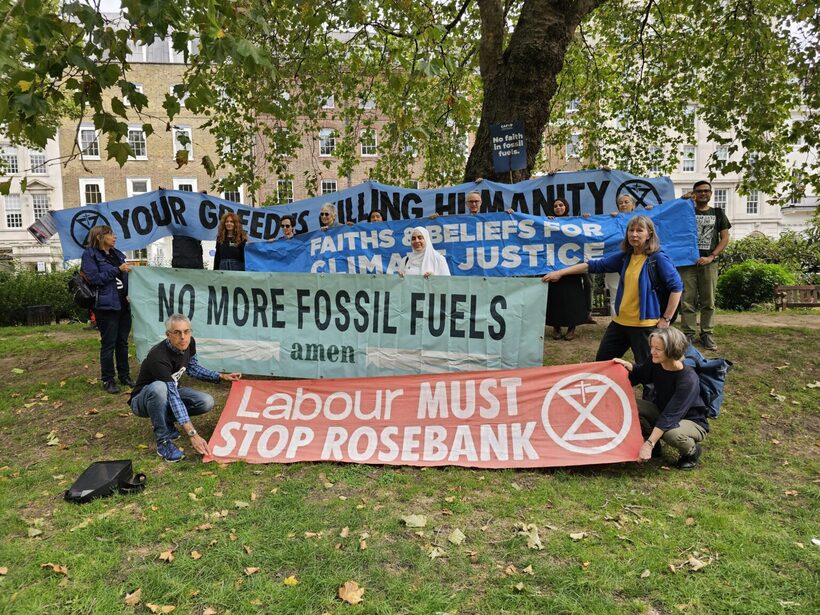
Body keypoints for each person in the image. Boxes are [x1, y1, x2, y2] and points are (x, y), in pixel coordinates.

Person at [542, 215, 682, 365]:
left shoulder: (657, 259)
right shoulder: (625, 257)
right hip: (620, 323)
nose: (634, 234)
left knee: (649, 370)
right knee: (602, 362)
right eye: (631, 230)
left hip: (645, 326)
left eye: (639, 230)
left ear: (649, 235)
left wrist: (666, 319)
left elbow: (677, 287)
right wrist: (560, 273)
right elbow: (593, 265)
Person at [129, 314, 241, 462]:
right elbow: (173, 396)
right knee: (159, 388)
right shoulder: (158, 357)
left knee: (206, 401)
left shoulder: (189, 343)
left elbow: (193, 368)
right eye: (177, 332)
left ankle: (167, 420)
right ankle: (163, 442)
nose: (183, 337)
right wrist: (193, 434)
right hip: (142, 401)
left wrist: (220, 376)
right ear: (168, 335)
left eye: (186, 331)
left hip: (169, 393)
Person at [613, 327, 709, 470]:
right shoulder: (656, 362)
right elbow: (641, 374)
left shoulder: (687, 379)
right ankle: (655, 447)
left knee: (671, 434)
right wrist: (628, 367)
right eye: (652, 346)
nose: (652, 352)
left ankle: (691, 452)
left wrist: (648, 443)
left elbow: (671, 415)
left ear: (672, 350)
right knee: (629, 406)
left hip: (690, 420)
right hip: (663, 410)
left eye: (658, 349)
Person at [679, 180, 731, 351]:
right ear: (694, 193)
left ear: (710, 193)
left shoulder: (718, 213)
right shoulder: (686, 210)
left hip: (709, 263)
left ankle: (707, 333)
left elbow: (724, 238)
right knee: (687, 300)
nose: (703, 193)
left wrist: (711, 256)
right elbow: (670, 217)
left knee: (708, 300)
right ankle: (688, 333)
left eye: (706, 191)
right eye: (699, 191)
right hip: (687, 263)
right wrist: (682, 200)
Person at [81, 225, 133, 395]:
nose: (115, 237)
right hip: (106, 306)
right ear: (99, 237)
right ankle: (108, 379)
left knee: (122, 342)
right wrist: (117, 270)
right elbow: (94, 278)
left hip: (123, 305)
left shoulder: (118, 254)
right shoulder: (90, 255)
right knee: (109, 343)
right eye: (111, 234)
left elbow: (125, 278)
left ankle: (124, 376)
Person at [543, 198, 587, 341]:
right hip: (554, 266)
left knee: (572, 298)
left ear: (566, 207)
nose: (558, 207)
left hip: (572, 267)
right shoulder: (547, 222)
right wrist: (548, 222)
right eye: (555, 206)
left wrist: (587, 220)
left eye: (561, 205)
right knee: (555, 298)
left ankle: (571, 328)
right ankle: (556, 327)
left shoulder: (576, 222)